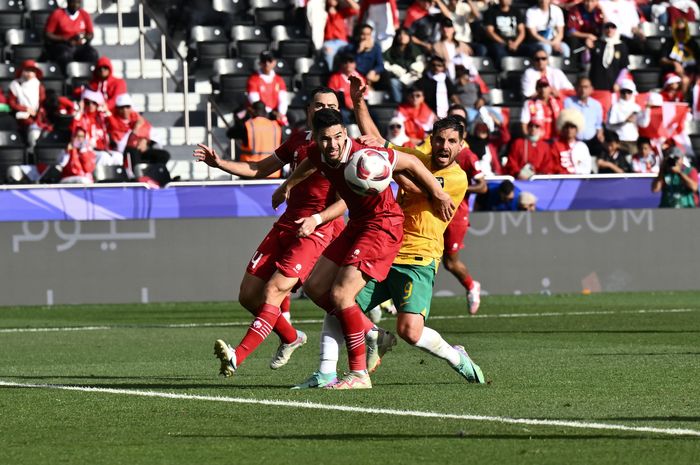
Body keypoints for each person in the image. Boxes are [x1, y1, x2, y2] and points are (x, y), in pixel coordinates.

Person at [271, 108, 455, 389]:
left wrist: (439, 193)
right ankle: (372, 333)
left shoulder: (365, 156)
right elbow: (309, 162)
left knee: (341, 294)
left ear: (345, 134)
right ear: (317, 139)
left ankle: (359, 374)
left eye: (337, 137)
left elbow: (411, 164)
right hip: (358, 223)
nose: (332, 144)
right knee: (316, 288)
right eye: (325, 139)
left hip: (383, 225)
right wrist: (286, 186)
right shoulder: (319, 152)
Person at [195, 88, 352, 378]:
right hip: (287, 223)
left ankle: (236, 357)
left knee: (274, 290)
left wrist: (317, 219)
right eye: (318, 105)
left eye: (331, 105)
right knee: (249, 295)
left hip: (318, 228)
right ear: (308, 110)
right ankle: (293, 336)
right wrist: (220, 164)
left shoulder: (344, 149)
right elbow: (259, 168)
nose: (324, 110)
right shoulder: (298, 141)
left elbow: (346, 199)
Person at [107, 94, 170, 171]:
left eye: (127, 107)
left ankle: (158, 176)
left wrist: (145, 141)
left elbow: (151, 133)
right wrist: (135, 130)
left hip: (141, 149)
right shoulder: (112, 122)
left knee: (163, 155)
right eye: (121, 108)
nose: (125, 110)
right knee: (132, 151)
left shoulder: (137, 118)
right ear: (117, 109)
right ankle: (138, 177)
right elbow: (120, 144)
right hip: (126, 152)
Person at [226, 101, 283, 177]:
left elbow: (230, 133)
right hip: (273, 171)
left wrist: (241, 119)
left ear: (252, 111)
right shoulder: (276, 126)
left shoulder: (248, 126)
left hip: (250, 171)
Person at [44, 0, 98, 73]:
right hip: (62, 45)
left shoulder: (84, 14)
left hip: (80, 45)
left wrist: (84, 38)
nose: (76, 5)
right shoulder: (57, 14)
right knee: (64, 55)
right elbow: (47, 34)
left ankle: (88, 78)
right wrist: (65, 39)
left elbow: (90, 34)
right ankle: (66, 78)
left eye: (78, 2)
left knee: (92, 53)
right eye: (74, 2)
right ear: (68, 2)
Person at [7, 60, 51, 149]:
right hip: (22, 115)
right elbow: (12, 103)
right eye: (27, 71)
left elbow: (42, 100)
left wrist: (38, 113)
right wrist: (25, 109)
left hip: (37, 115)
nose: (29, 73)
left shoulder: (38, 85)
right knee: (32, 128)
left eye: (32, 71)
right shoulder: (15, 85)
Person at [338, 23, 387, 92]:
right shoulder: (352, 47)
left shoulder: (376, 47)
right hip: (356, 75)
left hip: (370, 76)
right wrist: (359, 51)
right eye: (363, 34)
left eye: (368, 34)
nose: (365, 37)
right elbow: (349, 63)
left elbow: (380, 65)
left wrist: (374, 71)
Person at [607, 79, 651, 155]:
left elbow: (644, 124)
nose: (626, 94)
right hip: (618, 142)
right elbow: (609, 126)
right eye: (623, 92)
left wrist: (647, 110)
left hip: (633, 142)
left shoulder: (636, 107)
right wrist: (625, 121)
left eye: (629, 92)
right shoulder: (615, 107)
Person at [564, 77, 605, 157]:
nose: (583, 90)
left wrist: (600, 134)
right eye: (581, 87)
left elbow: (598, 125)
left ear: (591, 89)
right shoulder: (568, 103)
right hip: (573, 142)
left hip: (592, 143)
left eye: (586, 87)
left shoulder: (596, 105)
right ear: (576, 88)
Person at [382, 28, 425, 102]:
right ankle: (398, 105)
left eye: (405, 34)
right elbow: (384, 62)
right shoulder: (391, 50)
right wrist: (393, 68)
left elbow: (422, 62)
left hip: (413, 78)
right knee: (393, 82)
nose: (402, 36)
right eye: (400, 34)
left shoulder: (415, 49)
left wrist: (416, 68)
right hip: (398, 78)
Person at [247, 51, 289, 126]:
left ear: (274, 62)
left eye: (269, 60)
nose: (267, 64)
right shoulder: (253, 79)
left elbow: (283, 100)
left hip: (276, 113)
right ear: (260, 63)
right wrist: (272, 113)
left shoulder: (279, 80)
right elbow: (255, 102)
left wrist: (281, 113)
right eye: (264, 61)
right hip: (261, 113)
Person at [483, 0, 528, 68]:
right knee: (499, 51)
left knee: (531, 50)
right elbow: (490, 32)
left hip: (515, 43)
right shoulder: (491, 12)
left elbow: (522, 32)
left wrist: (515, 43)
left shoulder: (516, 12)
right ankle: (503, 74)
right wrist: (505, 43)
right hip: (498, 43)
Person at [660, 18, 699, 92]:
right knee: (683, 81)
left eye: (683, 30)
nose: (681, 33)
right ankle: (683, 102)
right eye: (678, 30)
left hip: (691, 72)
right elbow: (662, 59)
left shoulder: (692, 43)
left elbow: (698, 60)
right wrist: (674, 63)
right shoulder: (669, 43)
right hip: (672, 72)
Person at [588, 21, 629, 91]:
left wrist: (618, 83)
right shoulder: (597, 43)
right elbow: (586, 60)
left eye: (613, 27)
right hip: (596, 82)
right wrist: (587, 49)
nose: (610, 30)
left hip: (612, 84)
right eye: (607, 27)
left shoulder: (622, 46)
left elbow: (624, 67)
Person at [327, 53, 368, 123]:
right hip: (342, 109)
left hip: (359, 107)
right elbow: (331, 97)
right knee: (342, 114)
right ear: (341, 64)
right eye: (345, 62)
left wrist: (356, 106)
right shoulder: (334, 78)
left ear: (355, 64)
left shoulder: (361, 78)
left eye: (351, 61)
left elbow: (366, 96)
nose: (348, 64)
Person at [550, 108, 593, 174]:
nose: (569, 130)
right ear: (562, 128)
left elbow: (587, 167)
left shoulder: (582, 146)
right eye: (566, 127)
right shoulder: (555, 145)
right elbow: (554, 165)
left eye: (572, 127)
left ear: (576, 129)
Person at [322, 0, 360, 71]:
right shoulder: (323, 13)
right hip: (329, 42)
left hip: (342, 42)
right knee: (328, 51)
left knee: (352, 50)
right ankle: (331, 74)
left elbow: (356, 9)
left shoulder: (341, 13)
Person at [521, 77, 561, 141]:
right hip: (537, 140)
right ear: (536, 89)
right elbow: (524, 124)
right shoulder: (530, 104)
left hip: (554, 140)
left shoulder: (557, 103)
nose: (543, 89)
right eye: (540, 87)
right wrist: (528, 138)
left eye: (545, 86)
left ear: (550, 88)